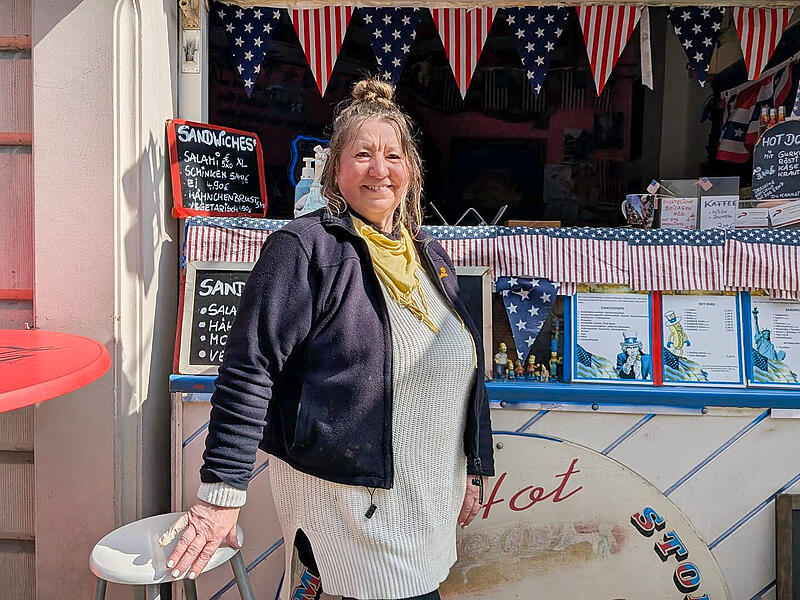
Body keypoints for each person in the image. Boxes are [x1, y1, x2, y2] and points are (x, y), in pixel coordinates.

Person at [163, 78, 494, 600]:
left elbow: (463, 370)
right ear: (335, 170)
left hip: (425, 500)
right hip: (351, 504)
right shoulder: (303, 249)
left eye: (393, 155)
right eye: (362, 154)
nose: (380, 170)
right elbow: (251, 369)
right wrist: (220, 493)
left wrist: (472, 467)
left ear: (412, 171)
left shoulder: (428, 255)